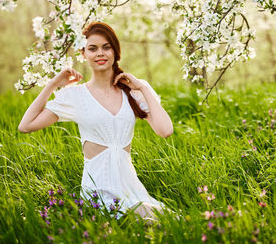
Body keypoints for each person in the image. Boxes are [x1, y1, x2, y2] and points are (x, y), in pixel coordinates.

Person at [18, 21, 174, 222]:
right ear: (83, 54)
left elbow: (165, 130)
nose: (100, 53)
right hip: (98, 192)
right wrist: (53, 83)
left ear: (115, 52)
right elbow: (26, 126)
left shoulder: (132, 91)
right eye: (93, 48)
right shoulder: (75, 96)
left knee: (162, 217)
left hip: (131, 187)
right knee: (145, 216)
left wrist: (142, 88)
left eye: (106, 47)